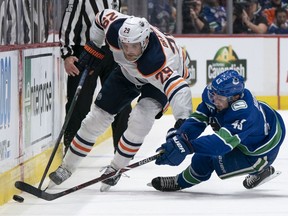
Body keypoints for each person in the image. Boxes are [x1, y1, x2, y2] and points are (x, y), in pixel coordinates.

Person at [49, 9, 193, 192]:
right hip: (128, 74)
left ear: (145, 41)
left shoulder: (159, 60)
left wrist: (184, 122)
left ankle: (115, 168)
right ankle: (66, 168)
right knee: (96, 118)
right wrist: (95, 44)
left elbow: (180, 89)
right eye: (125, 45)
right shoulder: (115, 28)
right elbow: (101, 17)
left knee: (140, 119)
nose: (128, 51)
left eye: (134, 46)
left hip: (159, 81)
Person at [150, 70, 286, 192]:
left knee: (207, 159)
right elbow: (198, 120)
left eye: (220, 99)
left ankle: (179, 182)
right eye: (213, 94)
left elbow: (220, 145)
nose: (214, 100)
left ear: (235, 98)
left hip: (259, 152)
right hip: (255, 130)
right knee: (206, 148)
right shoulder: (214, 97)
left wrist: (187, 146)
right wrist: (180, 136)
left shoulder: (244, 114)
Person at [59, 0, 131, 154]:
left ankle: (122, 151)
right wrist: (68, 54)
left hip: (112, 53)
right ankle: (71, 147)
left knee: (121, 100)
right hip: (86, 52)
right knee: (79, 102)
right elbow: (68, 24)